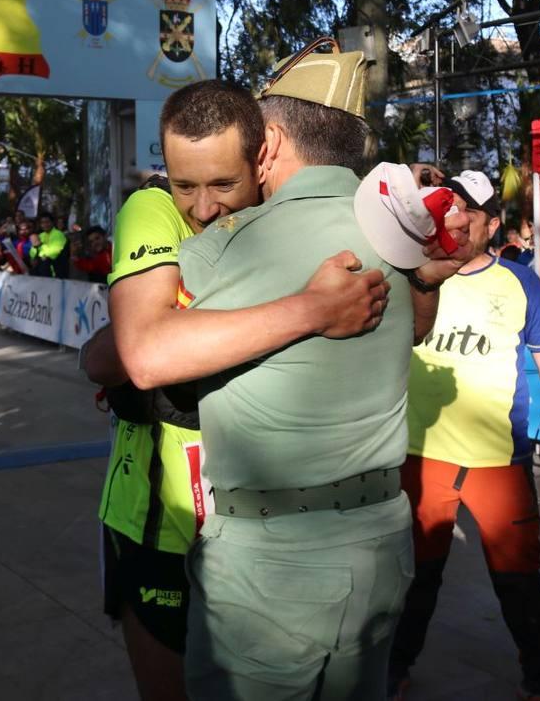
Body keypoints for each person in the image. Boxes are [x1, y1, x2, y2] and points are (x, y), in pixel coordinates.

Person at [80, 78, 396, 701]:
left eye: (222, 184)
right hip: (163, 518)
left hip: (265, 527)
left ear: (262, 158)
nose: (200, 208)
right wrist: (310, 310)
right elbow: (139, 355)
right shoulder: (151, 209)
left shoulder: (288, 219)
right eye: (184, 184)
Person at [171, 43, 470, 700]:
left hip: (270, 564)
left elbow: (131, 352)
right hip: (380, 541)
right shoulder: (397, 241)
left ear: (270, 140)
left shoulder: (224, 246)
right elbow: (415, 328)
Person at [387, 170, 540, 701]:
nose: (456, 221)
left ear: (493, 224)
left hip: (498, 460)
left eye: (470, 213)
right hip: (419, 454)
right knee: (414, 578)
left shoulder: (520, 282)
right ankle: (390, 670)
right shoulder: (411, 274)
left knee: (520, 577)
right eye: (450, 209)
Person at [28, 211, 69, 278]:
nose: (45, 225)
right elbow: (32, 252)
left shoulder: (58, 234)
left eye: (47, 222)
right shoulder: (41, 235)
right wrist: (33, 257)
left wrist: (39, 244)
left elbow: (52, 254)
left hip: (55, 274)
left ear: (52, 223)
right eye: (42, 223)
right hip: (41, 272)